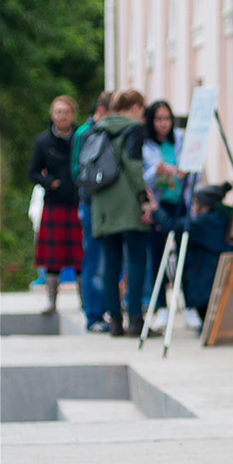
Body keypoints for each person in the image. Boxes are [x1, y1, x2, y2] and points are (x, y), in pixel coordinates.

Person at [90, 89, 153, 337]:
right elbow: (133, 165)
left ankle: (115, 320)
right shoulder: (133, 128)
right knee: (137, 260)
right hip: (128, 201)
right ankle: (135, 318)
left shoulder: (97, 128)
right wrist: (144, 197)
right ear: (136, 106)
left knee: (111, 262)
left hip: (102, 201)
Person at [147, 181, 233, 329]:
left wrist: (155, 209)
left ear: (204, 206)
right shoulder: (223, 218)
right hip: (217, 277)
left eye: (194, 204)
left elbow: (172, 226)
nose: (192, 208)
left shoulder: (204, 223)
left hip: (205, 284)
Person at [29, 96, 84, 314]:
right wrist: (48, 182)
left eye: (66, 112)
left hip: (77, 202)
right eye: (58, 112)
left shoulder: (81, 137)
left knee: (80, 255)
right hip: (54, 203)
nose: (62, 116)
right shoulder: (43, 141)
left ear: (73, 114)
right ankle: (51, 300)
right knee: (52, 257)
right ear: (52, 115)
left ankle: (85, 301)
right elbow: (32, 171)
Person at [142, 100, 187, 328]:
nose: (163, 124)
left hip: (181, 202)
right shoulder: (145, 144)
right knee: (158, 254)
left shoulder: (180, 138)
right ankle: (160, 306)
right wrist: (155, 170)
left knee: (184, 254)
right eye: (158, 119)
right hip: (158, 205)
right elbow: (142, 178)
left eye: (167, 119)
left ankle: (188, 305)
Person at [70, 90, 113, 331]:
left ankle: (107, 310)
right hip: (91, 204)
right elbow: (77, 171)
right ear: (104, 111)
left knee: (109, 262)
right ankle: (93, 315)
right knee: (94, 261)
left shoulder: (107, 131)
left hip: (108, 205)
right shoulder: (85, 133)